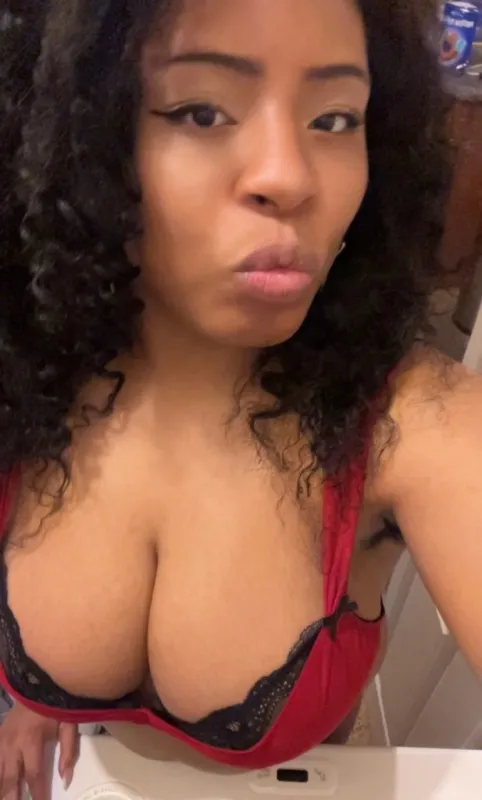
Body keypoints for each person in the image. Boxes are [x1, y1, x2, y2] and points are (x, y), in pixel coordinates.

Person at [1, 0, 481, 797]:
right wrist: (35, 694)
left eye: (334, 119)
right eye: (202, 111)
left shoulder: (412, 424)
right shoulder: (26, 370)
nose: (289, 177)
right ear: (84, 138)